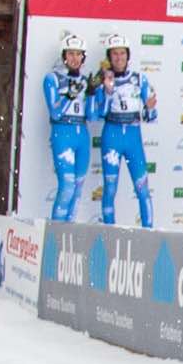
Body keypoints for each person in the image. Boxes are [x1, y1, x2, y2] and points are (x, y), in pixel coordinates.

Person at [88, 38, 156, 227]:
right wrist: (107, 93)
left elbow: (151, 116)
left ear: (128, 56)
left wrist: (149, 109)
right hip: (112, 135)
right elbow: (99, 114)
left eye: (122, 53)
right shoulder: (104, 81)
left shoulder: (139, 79)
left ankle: (148, 232)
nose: (119, 58)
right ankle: (110, 229)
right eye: (115, 54)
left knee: (142, 188)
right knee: (109, 188)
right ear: (109, 57)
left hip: (133, 136)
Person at [41, 34, 96, 222]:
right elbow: (55, 112)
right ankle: (55, 235)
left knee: (78, 189)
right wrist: (70, 95)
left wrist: (93, 95)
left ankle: (70, 235)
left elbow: (92, 116)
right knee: (67, 186)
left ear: (83, 57)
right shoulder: (53, 78)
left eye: (78, 54)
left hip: (82, 135)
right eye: (71, 53)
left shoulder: (85, 80)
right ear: (64, 55)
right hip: (62, 133)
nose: (74, 58)